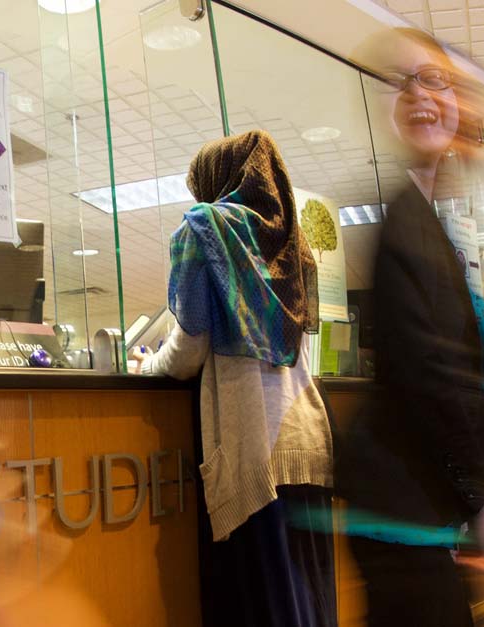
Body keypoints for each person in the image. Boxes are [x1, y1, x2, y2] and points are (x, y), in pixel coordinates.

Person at [130, 129, 336, 627]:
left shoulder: (203, 230)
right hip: (305, 439)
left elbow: (186, 352)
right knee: (310, 600)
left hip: (253, 451)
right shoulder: (295, 244)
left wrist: (145, 366)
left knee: (262, 605)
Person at [334, 28, 484, 627]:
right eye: (403, 81)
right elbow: (430, 375)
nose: (420, 94)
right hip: (397, 504)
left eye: (436, 80)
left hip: (409, 502)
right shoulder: (405, 225)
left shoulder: (425, 217)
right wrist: (480, 501)